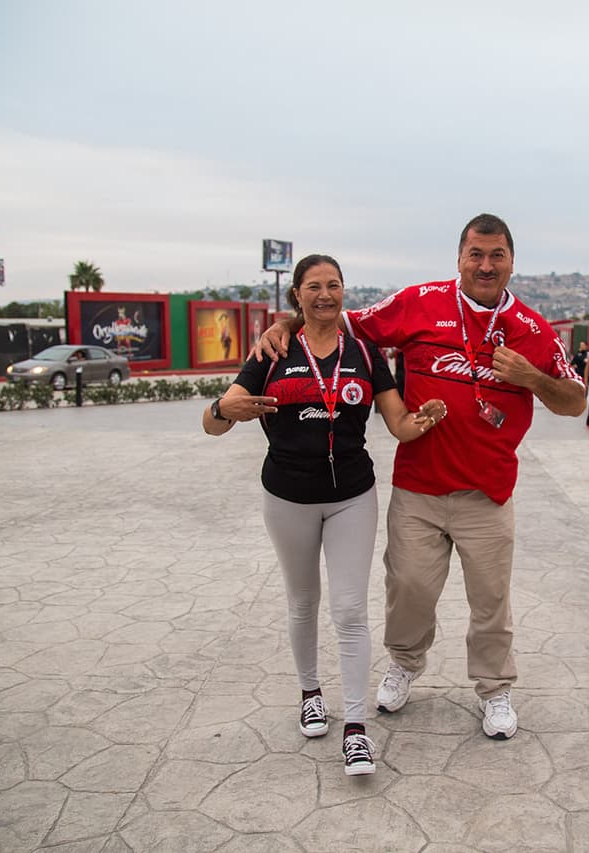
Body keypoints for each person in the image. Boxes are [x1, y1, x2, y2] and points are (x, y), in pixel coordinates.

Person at [257, 214, 586, 740]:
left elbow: (576, 402)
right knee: (407, 587)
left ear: (511, 262)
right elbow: (341, 319)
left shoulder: (533, 329)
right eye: (475, 254)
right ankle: (405, 665)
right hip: (418, 488)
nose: (485, 264)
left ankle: (495, 689)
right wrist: (287, 323)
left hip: (487, 493)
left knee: (490, 600)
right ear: (459, 258)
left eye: (496, 255)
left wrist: (531, 377)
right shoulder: (421, 301)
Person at [205, 254, 447, 775]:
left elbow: (398, 424)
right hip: (287, 497)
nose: (324, 295)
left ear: (343, 292)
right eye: (313, 286)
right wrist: (227, 409)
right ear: (296, 297)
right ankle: (310, 693)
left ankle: (356, 729)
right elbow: (214, 422)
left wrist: (422, 421)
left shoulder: (363, 351)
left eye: (333, 285)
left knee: (351, 611)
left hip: (351, 497)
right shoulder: (273, 349)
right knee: (302, 600)